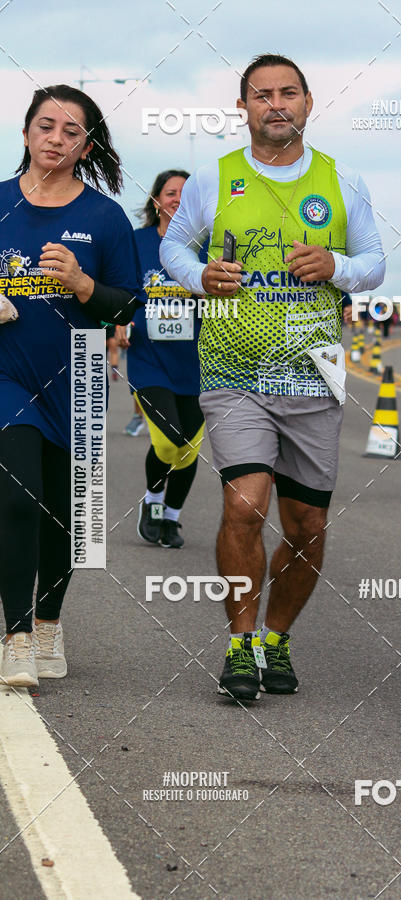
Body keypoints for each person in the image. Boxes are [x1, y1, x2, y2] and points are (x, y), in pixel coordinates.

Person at [161, 53, 385, 700]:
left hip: (314, 376)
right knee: (244, 504)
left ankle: (275, 637)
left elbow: (374, 263)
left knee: (307, 526)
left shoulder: (343, 180)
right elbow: (175, 245)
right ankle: (239, 646)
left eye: (289, 93)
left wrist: (336, 265)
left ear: (309, 103)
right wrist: (198, 274)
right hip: (233, 372)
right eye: (263, 95)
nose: (276, 104)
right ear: (244, 107)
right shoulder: (214, 177)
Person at [0, 85, 145, 687]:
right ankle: (15, 636)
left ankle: (50, 623)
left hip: (79, 373)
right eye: (46, 126)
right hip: (7, 374)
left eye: (71, 131)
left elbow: (129, 303)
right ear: (26, 133)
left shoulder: (104, 217)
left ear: (86, 147)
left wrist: (84, 285)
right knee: (16, 498)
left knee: (64, 515)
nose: (56, 139)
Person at [116, 170, 207, 549]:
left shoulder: (208, 246)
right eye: (170, 193)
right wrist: (117, 322)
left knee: (189, 448)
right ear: (156, 201)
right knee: (169, 441)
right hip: (149, 358)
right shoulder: (136, 243)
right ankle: (152, 499)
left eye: (186, 194)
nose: (177, 199)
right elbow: (118, 287)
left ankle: (171, 517)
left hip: (198, 362)